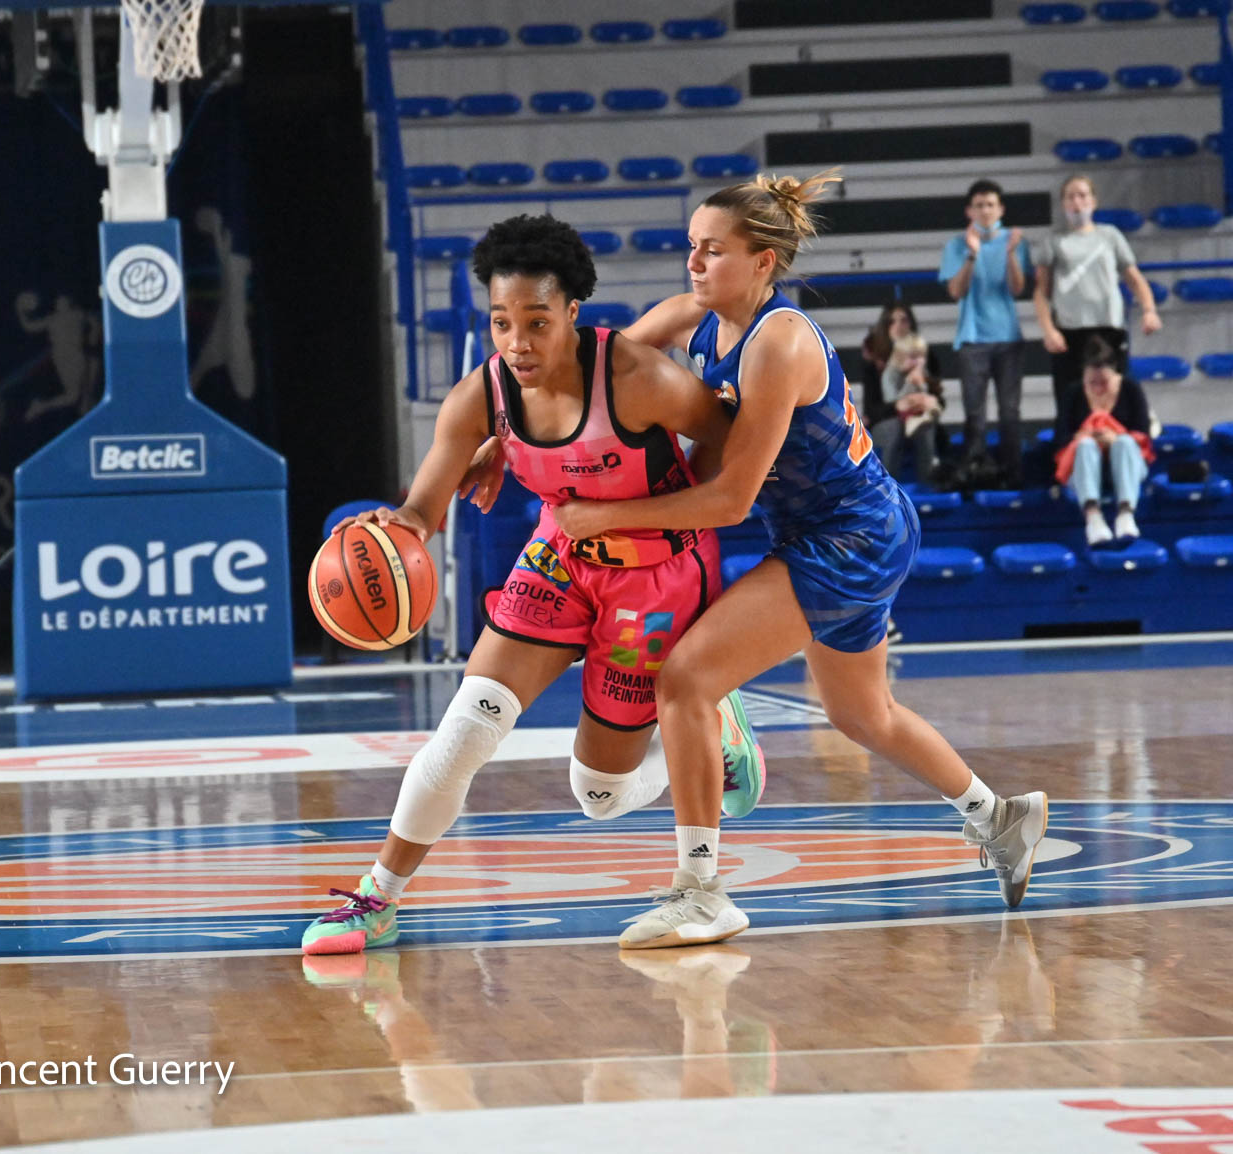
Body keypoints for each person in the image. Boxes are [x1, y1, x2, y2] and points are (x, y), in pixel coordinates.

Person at [556, 171, 1049, 949]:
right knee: (862, 716)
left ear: (761, 262)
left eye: (712, 251)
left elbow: (728, 501)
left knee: (684, 679)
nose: (693, 264)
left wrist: (601, 515)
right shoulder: (700, 316)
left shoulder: (777, 341)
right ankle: (1000, 818)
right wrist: (503, 436)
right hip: (846, 529)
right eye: (690, 248)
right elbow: (601, 375)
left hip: (847, 536)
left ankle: (703, 890)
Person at [301, 215, 767, 956]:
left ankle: (715, 726)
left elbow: (731, 448)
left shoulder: (644, 382)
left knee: (600, 795)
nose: (517, 342)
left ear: (573, 315)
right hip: (558, 557)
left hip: (654, 577)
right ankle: (375, 900)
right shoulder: (478, 398)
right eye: (500, 323)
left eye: (537, 323)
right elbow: (422, 510)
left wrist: (648, 514)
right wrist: (388, 534)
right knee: (464, 730)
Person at [1033, 175, 1162, 429]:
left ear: (1093, 201)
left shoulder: (1110, 236)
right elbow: (1041, 292)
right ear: (1063, 203)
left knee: (1115, 395)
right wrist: (1048, 330)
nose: (1077, 202)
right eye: (1070, 196)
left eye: (1082, 195)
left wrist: (1149, 310)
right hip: (1069, 331)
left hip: (1108, 328)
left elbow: (1134, 279)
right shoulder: (1053, 241)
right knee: (1070, 399)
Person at [941, 180, 1030, 488]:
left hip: (1008, 336)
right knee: (974, 414)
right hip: (972, 337)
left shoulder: (1015, 241)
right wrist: (972, 254)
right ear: (969, 210)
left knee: (1010, 411)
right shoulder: (957, 244)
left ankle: (1013, 475)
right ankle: (976, 474)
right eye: (979, 205)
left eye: (990, 204)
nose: (985, 210)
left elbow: (1018, 288)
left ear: (1000, 209)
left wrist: (1011, 254)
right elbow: (955, 291)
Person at [1052, 335, 1156, 548]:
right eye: (1092, 383)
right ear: (1084, 377)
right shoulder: (1073, 393)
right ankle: (1093, 517)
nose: (1099, 389)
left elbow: (1144, 434)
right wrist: (1082, 436)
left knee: (1125, 443)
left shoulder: (1131, 389)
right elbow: (1060, 439)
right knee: (1086, 446)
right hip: (1085, 466)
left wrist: (1115, 437)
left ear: (1116, 376)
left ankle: (1126, 514)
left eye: (1105, 383)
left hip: (1126, 463)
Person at [860, 304, 943, 487]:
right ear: (885, 326)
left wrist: (925, 401)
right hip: (887, 422)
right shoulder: (874, 364)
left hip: (919, 417)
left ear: (911, 324)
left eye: (903, 320)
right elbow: (871, 411)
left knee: (925, 423)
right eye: (892, 321)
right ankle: (886, 490)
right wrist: (899, 406)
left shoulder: (925, 357)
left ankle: (928, 489)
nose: (898, 326)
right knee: (894, 427)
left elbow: (940, 400)